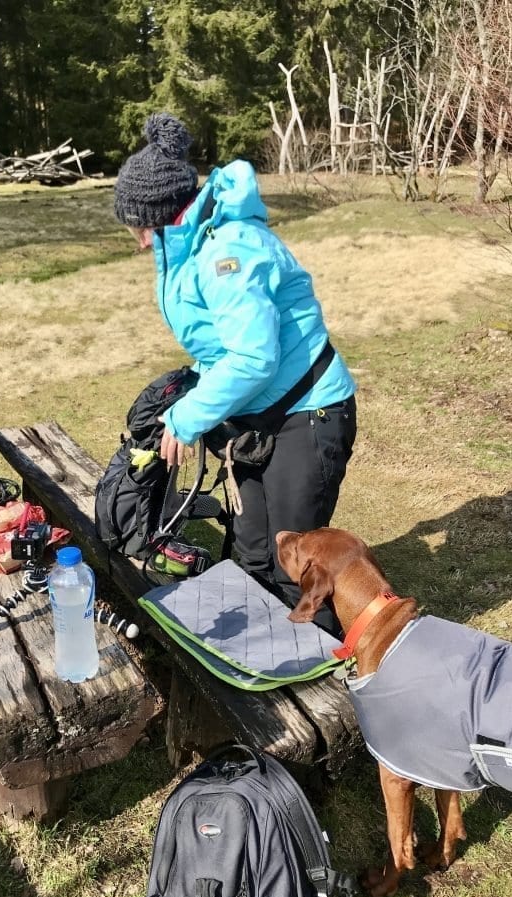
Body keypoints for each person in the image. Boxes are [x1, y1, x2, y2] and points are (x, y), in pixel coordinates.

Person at [114, 112, 357, 620]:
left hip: (308, 415)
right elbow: (221, 347)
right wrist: (189, 388)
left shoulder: (229, 251)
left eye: (138, 225)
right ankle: (258, 678)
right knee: (250, 555)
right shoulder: (186, 249)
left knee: (296, 568)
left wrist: (187, 418)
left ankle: (326, 682)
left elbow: (253, 356)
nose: (137, 239)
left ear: (163, 216)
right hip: (257, 417)